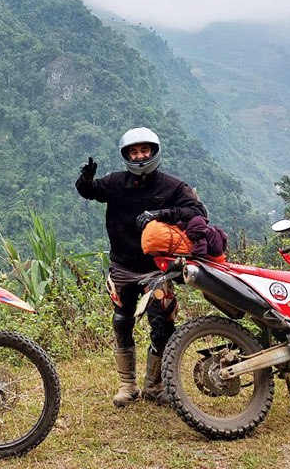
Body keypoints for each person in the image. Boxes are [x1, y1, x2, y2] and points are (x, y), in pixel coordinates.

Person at [76, 127, 218, 407]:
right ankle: (127, 385)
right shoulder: (116, 182)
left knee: (162, 322)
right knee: (121, 321)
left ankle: (154, 385)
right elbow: (90, 192)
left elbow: (197, 212)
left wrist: (161, 214)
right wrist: (85, 179)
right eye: (133, 151)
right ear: (126, 155)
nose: (139, 156)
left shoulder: (172, 186)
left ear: (154, 152)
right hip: (122, 265)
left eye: (144, 150)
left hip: (158, 268)